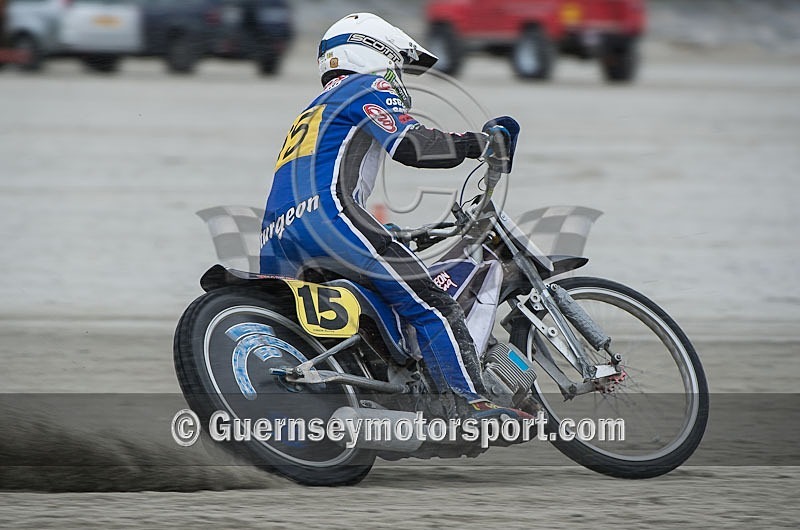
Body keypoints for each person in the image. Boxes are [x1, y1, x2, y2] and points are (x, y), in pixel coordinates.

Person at [260, 13, 531, 421]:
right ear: (374, 53)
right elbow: (410, 145)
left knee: (363, 317)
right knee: (434, 304)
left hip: (275, 237)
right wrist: (481, 143)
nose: (398, 80)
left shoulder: (312, 110)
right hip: (329, 220)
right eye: (397, 66)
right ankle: (469, 405)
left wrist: (386, 231)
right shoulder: (366, 85)